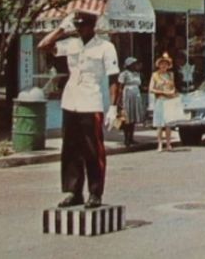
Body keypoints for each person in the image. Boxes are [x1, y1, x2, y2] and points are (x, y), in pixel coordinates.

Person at [38, 11, 119, 209]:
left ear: (92, 26)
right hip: (70, 100)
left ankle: (95, 192)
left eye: (82, 26)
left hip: (91, 102)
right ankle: (74, 192)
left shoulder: (106, 47)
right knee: (70, 149)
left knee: (93, 150)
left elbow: (114, 78)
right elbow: (43, 46)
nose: (79, 29)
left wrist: (114, 107)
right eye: (77, 26)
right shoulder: (71, 44)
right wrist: (60, 29)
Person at [150, 54, 177, 152]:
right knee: (159, 124)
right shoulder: (155, 75)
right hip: (160, 100)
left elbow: (173, 87)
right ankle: (160, 144)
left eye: (166, 64)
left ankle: (169, 144)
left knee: (168, 124)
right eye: (162, 64)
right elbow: (151, 89)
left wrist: (172, 92)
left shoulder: (170, 75)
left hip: (169, 100)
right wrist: (163, 92)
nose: (164, 66)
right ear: (159, 65)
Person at [116, 57, 144, 147]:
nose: (135, 65)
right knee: (127, 118)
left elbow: (139, 84)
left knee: (133, 118)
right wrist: (119, 100)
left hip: (136, 95)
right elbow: (120, 87)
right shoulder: (124, 74)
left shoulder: (137, 74)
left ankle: (131, 138)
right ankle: (126, 139)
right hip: (127, 95)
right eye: (133, 64)